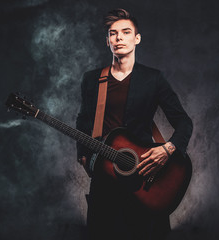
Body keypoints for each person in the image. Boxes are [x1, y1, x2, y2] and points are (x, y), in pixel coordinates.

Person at [76, 8, 193, 240]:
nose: (119, 38)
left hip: (144, 174)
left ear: (136, 38)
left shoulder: (153, 78)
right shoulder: (92, 80)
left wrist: (168, 149)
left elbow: (184, 122)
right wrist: (83, 155)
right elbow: (83, 120)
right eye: (113, 33)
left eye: (125, 32)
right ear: (107, 40)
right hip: (105, 176)